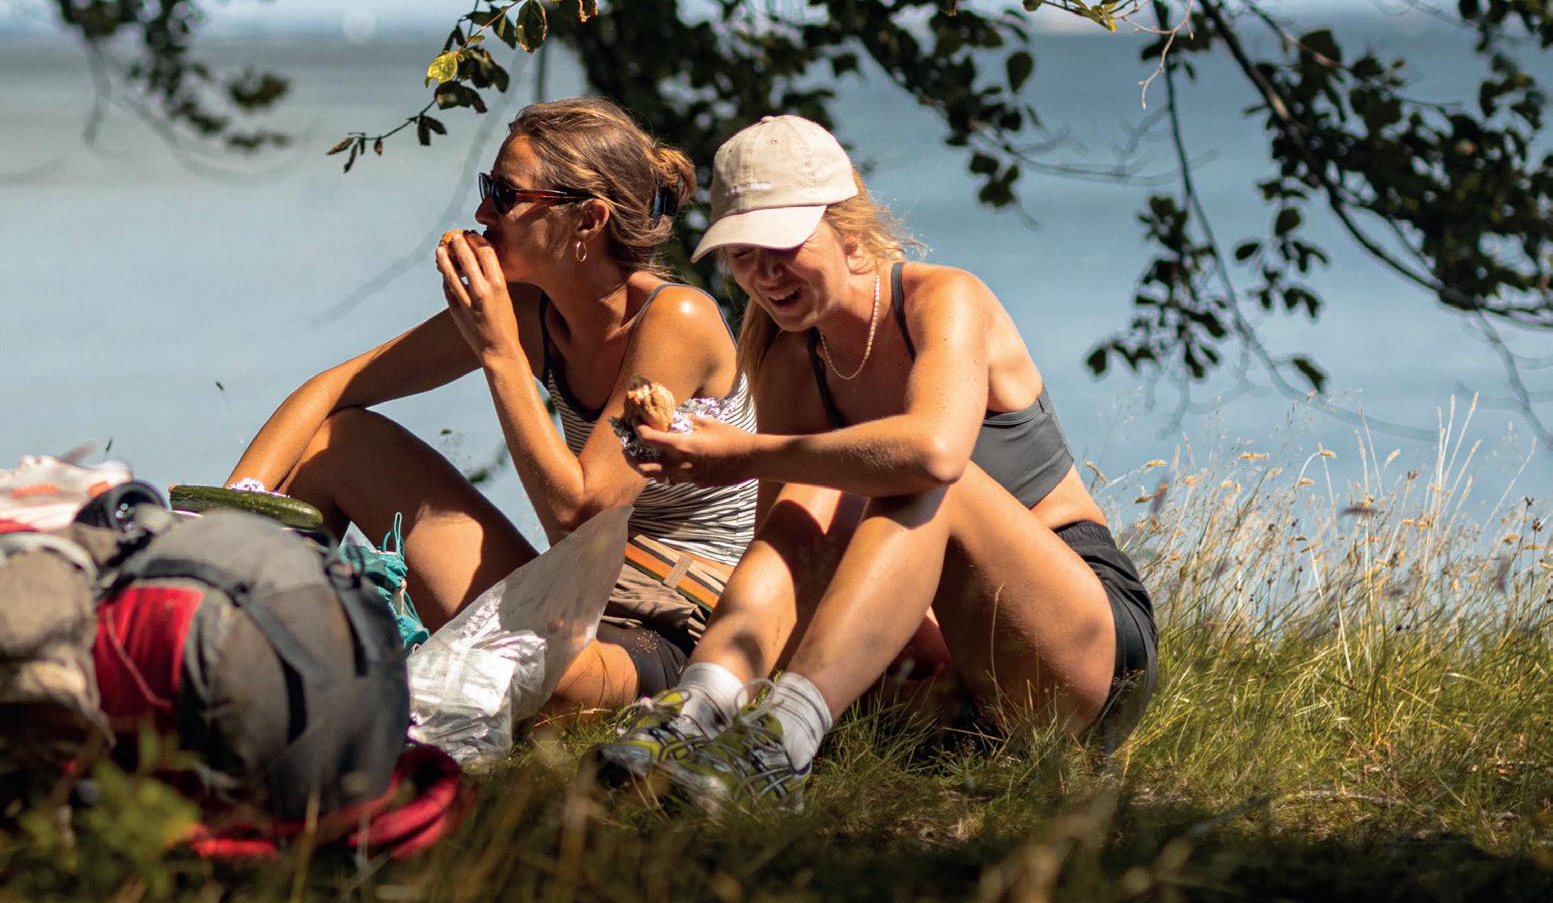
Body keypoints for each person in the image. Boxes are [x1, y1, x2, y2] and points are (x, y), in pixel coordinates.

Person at [596, 114, 1159, 806]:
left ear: (848, 228)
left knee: (928, 477)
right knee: (802, 510)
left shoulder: (942, 299)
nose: (763, 273)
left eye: (783, 244)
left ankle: (777, 747)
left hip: (1079, 648)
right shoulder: (789, 359)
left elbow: (933, 454)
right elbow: (788, 559)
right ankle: (695, 714)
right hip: (952, 681)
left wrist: (740, 455)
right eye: (741, 253)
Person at [226, 98, 757, 707]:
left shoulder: (676, 317)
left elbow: (578, 513)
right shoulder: (530, 311)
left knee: (530, 678)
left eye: (505, 195)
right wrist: (223, 522)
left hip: (673, 625)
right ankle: (233, 648)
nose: (482, 213)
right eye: (488, 188)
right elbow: (333, 389)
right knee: (340, 444)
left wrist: (498, 348)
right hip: (576, 592)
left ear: (588, 220)